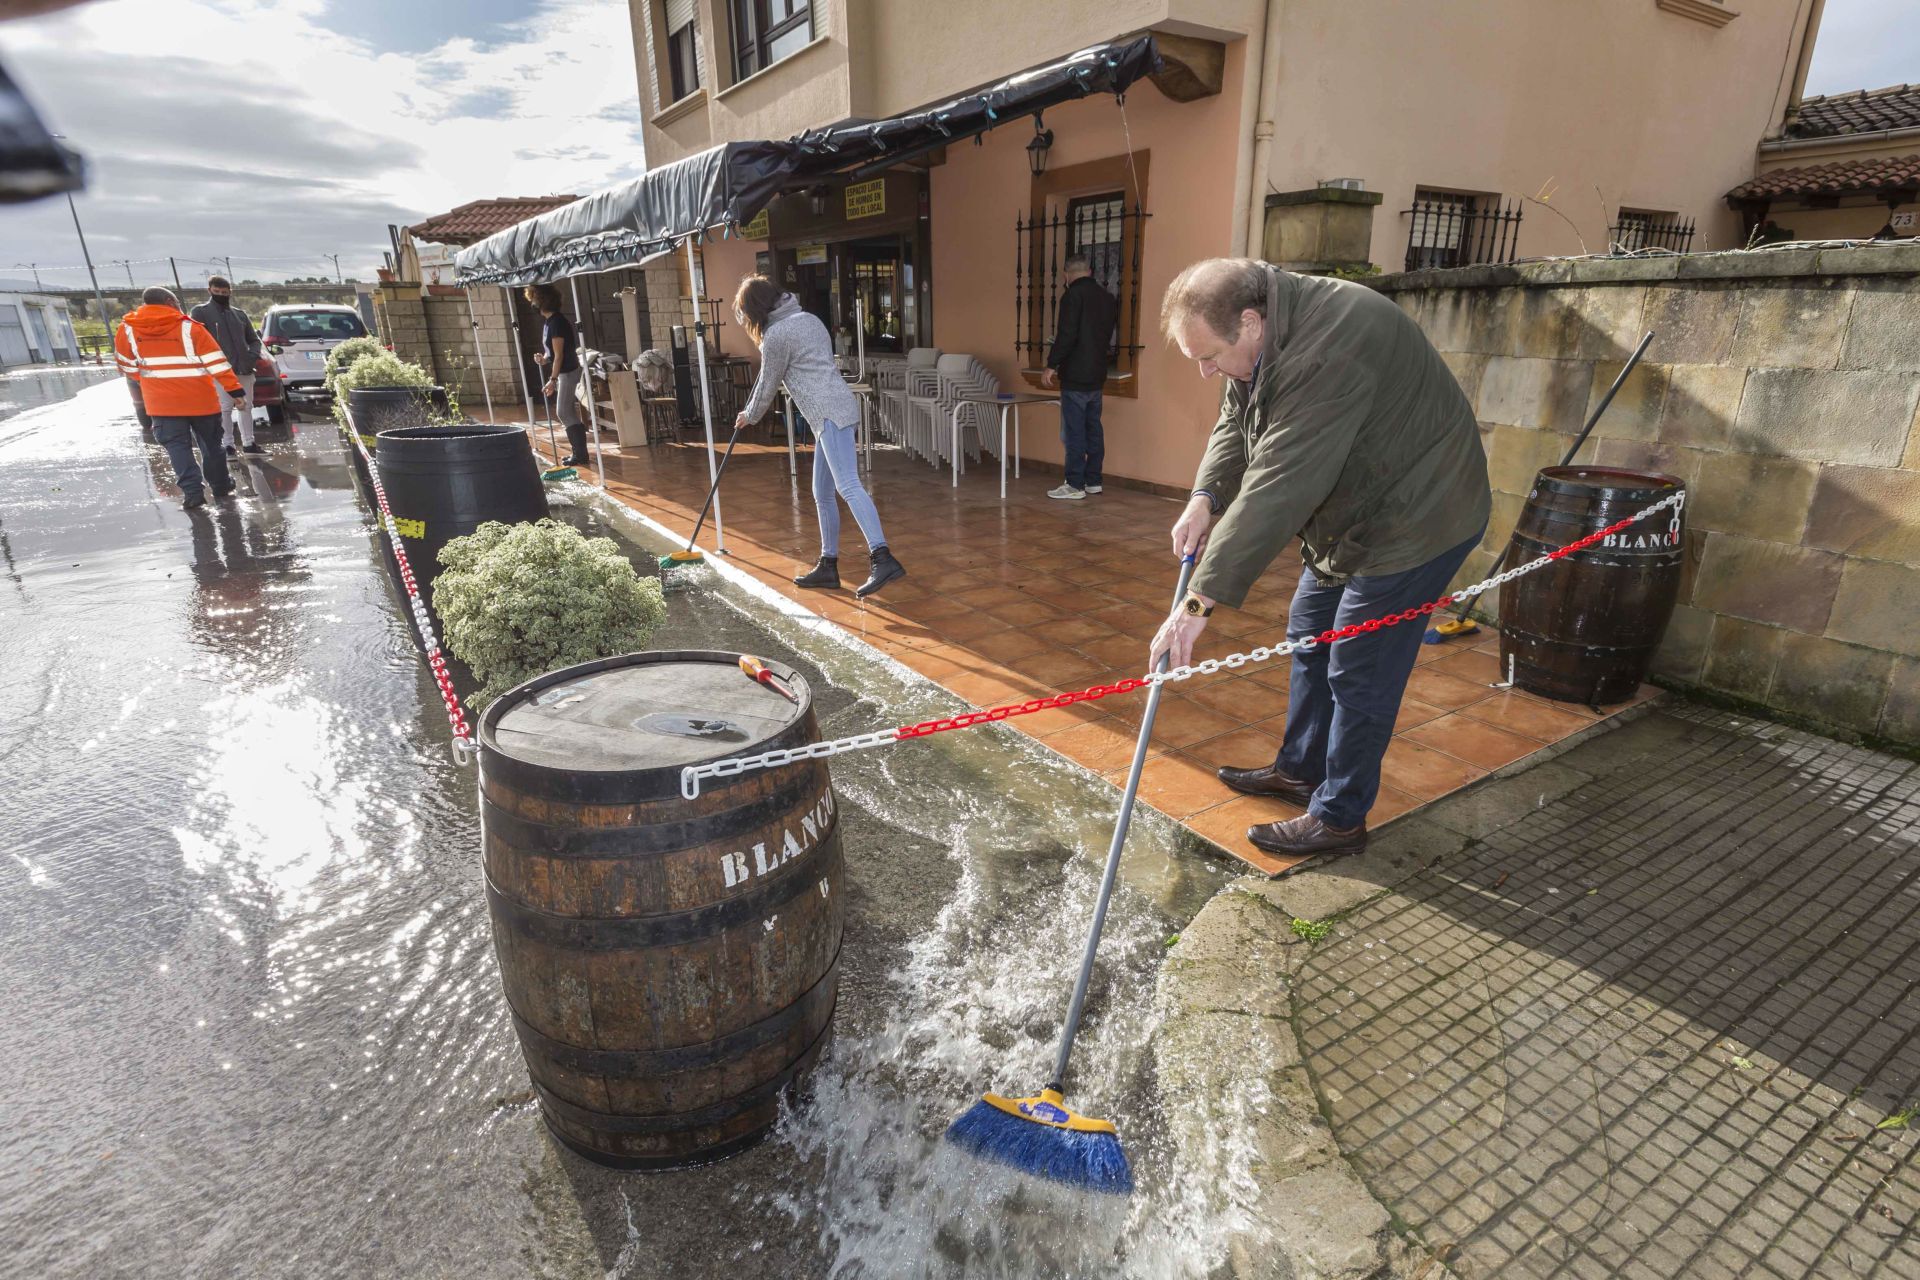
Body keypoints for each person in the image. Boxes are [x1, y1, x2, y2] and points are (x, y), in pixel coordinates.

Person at [1150, 258, 1490, 860]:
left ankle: (1339, 818)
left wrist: (1197, 601)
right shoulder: (1262, 339)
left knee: (1360, 665)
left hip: (1419, 516)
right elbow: (1237, 420)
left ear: (1250, 323)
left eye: (1210, 357)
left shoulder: (1333, 344)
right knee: (1309, 633)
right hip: (1354, 513)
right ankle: (1301, 770)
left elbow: (1281, 480)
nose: (1206, 371)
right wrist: (1204, 498)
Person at [733, 275, 905, 599]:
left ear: (756, 309)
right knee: (821, 491)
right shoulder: (808, 319)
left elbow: (767, 383)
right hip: (836, 408)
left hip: (828, 414)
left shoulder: (776, 336)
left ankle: (882, 557)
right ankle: (828, 565)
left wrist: (750, 415)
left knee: (847, 485)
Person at [115, 286, 246, 511]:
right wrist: (235, 391)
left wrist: (151, 381)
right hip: (201, 400)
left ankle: (193, 493)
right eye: (176, 302)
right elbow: (217, 362)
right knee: (211, 445)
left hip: (162, 404)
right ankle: (220, 486)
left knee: (177, 448)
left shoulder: (127, 329)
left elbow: (126, 365)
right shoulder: (189, 327)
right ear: (169, 302)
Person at [1042, 254, 1119, 500]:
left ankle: (1074, 484)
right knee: (1093, 428)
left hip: (1075, 374)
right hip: (1097, 373)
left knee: (1074, 431)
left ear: (1066, 274)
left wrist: (1051, 364)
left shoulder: (1072, 296)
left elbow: (1067, 334)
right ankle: (1093, 480)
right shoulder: (1107, 298)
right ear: (1090, 271)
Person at [189, 274, 265, 455]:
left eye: (224, 292)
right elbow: (196, 340)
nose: (221, 295)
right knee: (225, 408)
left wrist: (251, 356)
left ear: (230, 292)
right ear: (209, 291)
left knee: (246, 406)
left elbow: (254, 340)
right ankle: (228, 446)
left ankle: (249, 444)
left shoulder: (239, 314)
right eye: (217, 292)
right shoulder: (200, 312)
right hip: (219, 371)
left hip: (244, 369)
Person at [525, 284, 586, 465]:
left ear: (542, 301)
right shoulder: (549, 322)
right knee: (566, 411)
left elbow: (559, 356)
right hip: (564, 372)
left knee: (563, 411)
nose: (532, 303)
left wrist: (552, 380)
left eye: (534, 299)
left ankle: (580, 454)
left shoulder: (557, 322)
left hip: (568, 371)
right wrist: (543, 359)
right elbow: (552, 353)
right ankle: (579, 453)